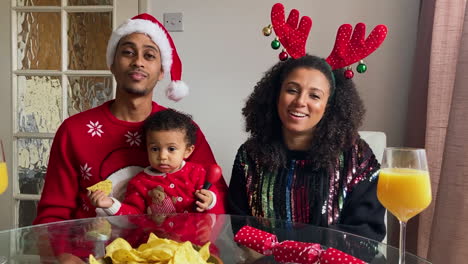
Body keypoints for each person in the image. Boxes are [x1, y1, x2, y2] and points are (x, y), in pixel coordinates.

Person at [34, 13, 228, 225]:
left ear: (162, 70)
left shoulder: (181, 131)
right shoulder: (74, 131)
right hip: (90, 254)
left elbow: (217, 201)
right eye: (128, 52)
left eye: (149, 56)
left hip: (170, 253)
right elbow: (52, 215)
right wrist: (63, 256)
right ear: (112, 64)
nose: (138, 62)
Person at [228, 54, 386, 242]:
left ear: (329, 106)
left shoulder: (357, 158)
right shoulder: (250, 156)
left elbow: (365, 233)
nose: (300, 101)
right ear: (276, 95)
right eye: (292, 90)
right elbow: (239, 225)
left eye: (314, 95)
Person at [88, 109, 225, 215]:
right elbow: (133, 216)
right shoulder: (139, 183)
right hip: (154, 247)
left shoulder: (197, 173)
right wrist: (110, 204)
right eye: (155, 149)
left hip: (195, 247)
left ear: (188, 151)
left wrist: (210, 200)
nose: (162, 156)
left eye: (171, 149)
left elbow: (215, 201)